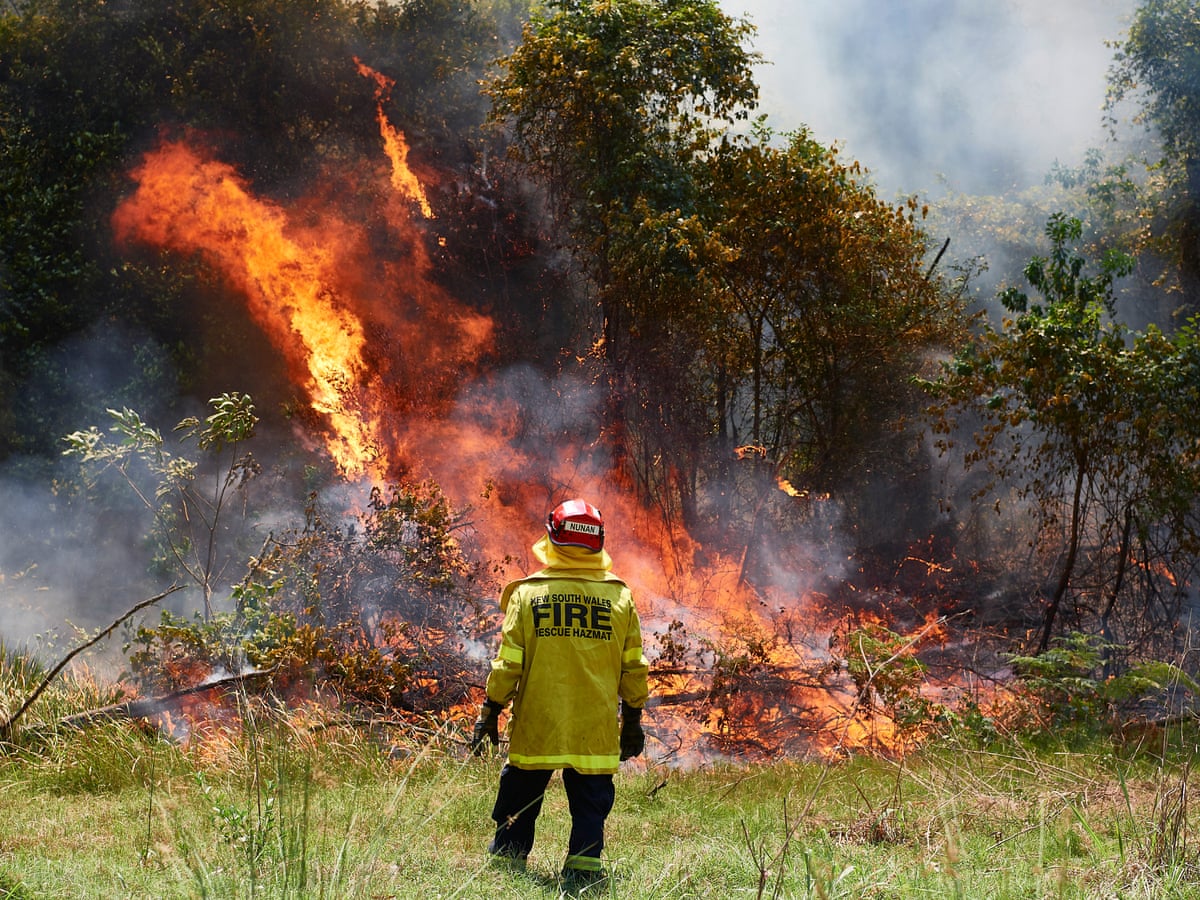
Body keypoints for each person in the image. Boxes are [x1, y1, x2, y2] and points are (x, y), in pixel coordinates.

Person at [472, 498, 650, 889]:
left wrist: (491, 709)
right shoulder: (620, 598)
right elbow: (633, 667)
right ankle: (584, 871)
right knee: (591, 802)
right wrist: (634, 718)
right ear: (597, 542)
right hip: (594, 726)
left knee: (519, 795)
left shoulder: (527, 595)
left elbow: (508, 665)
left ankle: (508, 860)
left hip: (540, 721)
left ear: (552, 537)